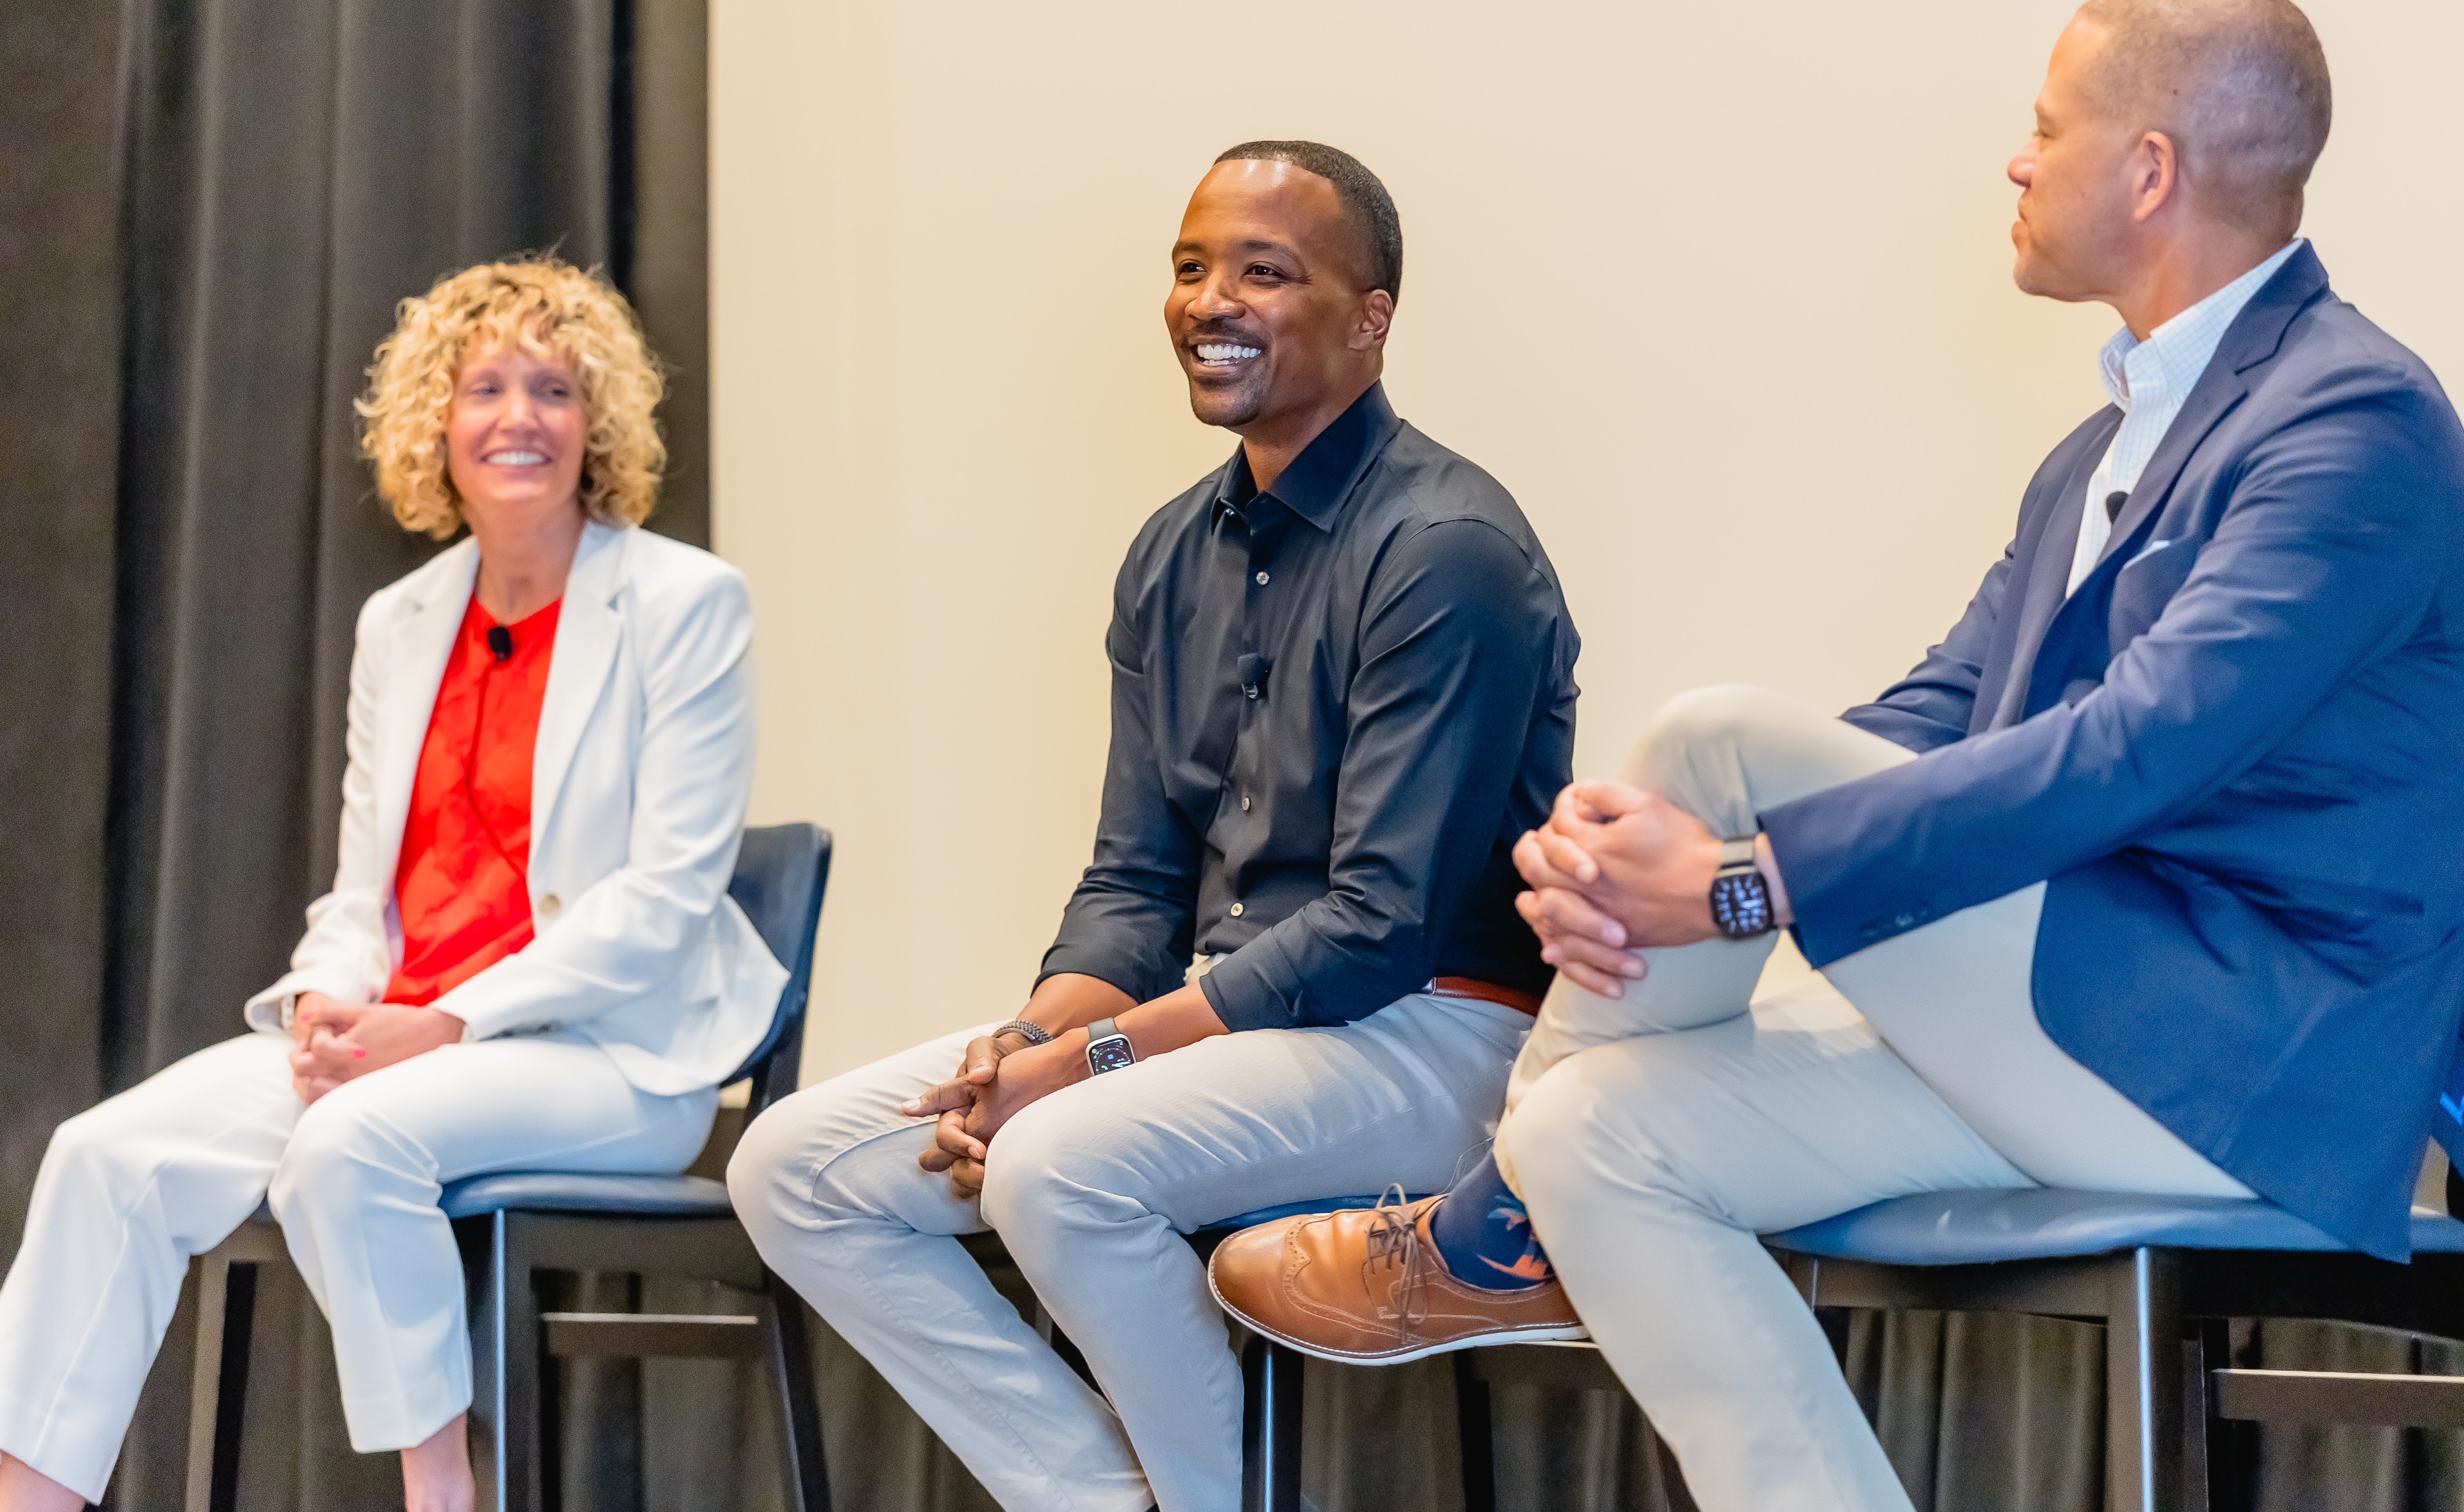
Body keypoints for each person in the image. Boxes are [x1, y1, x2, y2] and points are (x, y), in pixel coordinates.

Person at [1211, 0, 2464, 1512]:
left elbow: (2138, 752)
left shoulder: (2356, 424)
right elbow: (1936, 713)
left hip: (2234, 1062)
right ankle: (1520, 1213)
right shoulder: (2096, 453)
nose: (2016, 161)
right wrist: (1629, 847)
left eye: (2043, 128)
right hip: (2065, 1024)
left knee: (1717, 732)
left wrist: (1737, 880)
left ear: (2149, 169)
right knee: (1603, 1135)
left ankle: (1475, 1234)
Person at [729, 140, 1580, 1512]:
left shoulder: (1450, 548)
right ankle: (1103, 1500)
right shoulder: (1169, 553)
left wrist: (1090, 1064)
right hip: (1227, 1028)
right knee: (797, 1172)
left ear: (1371, 320)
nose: (1209, 299)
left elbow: (1378, 929)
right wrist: (1030, 1040)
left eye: (1264, 270)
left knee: (1059, 1166)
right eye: (1190, 266)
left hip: (1437, 1033)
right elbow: (1136, 876)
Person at [0, 258, 784, 1512]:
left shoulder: (686, 604)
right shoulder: (402, 618)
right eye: (485, 387)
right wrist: (324, 1005)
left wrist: (448, 1023)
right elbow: (362, 894)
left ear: (599, 426)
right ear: (438, 423)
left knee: (347, 1145)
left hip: (615, 1058)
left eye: (554, 388)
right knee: (106, 1157)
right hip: (406, 1036)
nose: (518, 416)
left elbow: (665, 900)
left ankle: (442, 1490)